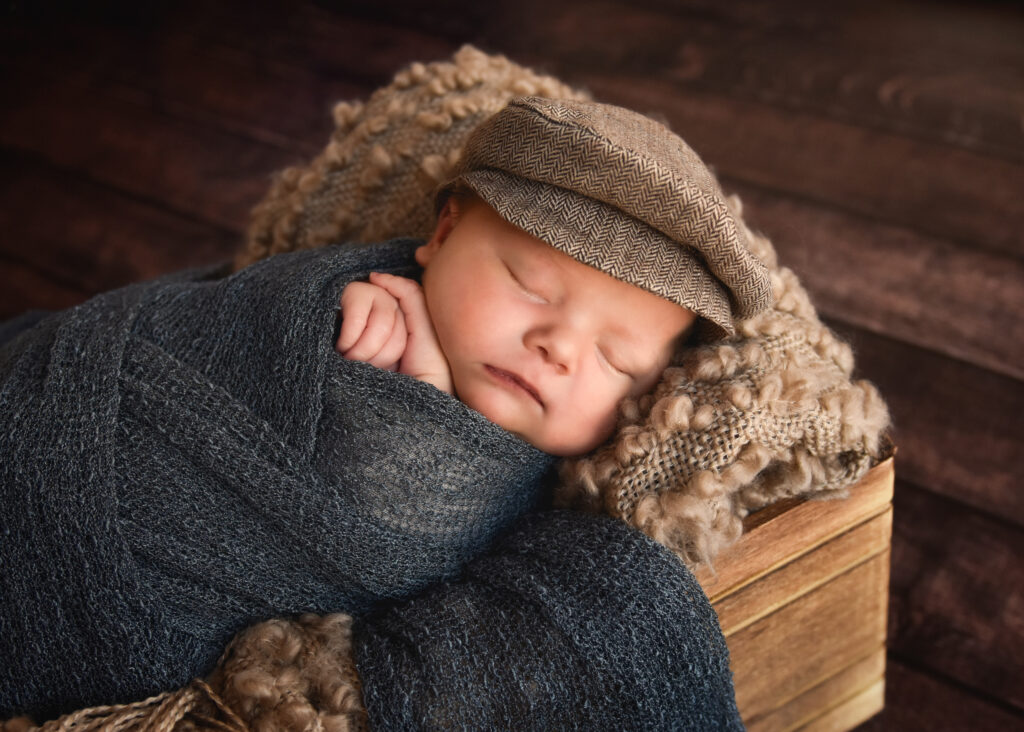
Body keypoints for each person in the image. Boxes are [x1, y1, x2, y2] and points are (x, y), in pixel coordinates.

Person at [1, 96, 767, 727]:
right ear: (441, 234)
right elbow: (226, 335)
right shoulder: (345, 313)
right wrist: (394, 410)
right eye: (528, 284)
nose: (558, 347)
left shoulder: (568, 471)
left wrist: (432, 416)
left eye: (616, 360)